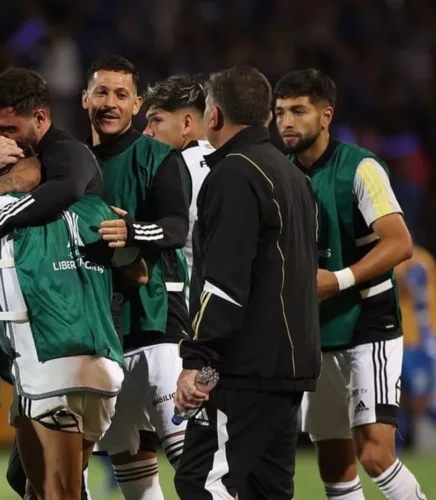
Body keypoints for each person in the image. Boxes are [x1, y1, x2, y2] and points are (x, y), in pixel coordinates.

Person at [0, 67, 123, 500]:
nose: (4, 140)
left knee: (62, 487)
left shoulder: (68, 154)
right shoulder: (13, 159)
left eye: (10, 128)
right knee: (28, 481)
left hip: (70, 336)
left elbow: (63, 192)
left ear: (40, 117)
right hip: (30, 341)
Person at [275, 68, 424, 500]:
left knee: (374, 454)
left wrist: (338, 280)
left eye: (298, 111)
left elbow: (400, 243)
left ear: (326, 116)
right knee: (333, 460)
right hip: (313, 332)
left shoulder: (360, 167)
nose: (286, 121)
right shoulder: (276, 172)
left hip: (367, 324)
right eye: (280, 111)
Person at [174, 66, 320, 499]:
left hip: (244, 369)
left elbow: (224, 282)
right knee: (267, 489)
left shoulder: (234, 173)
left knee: (203, 481)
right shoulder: (294, 177)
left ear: (214, 116)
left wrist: (199, 359)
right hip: (290, 367)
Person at [81, 55, 191, 500]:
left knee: (193, 460)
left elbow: (176, 227)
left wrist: (131, 232)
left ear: (137, 105)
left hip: (159, 324)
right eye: (102, 92)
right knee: (132, 464)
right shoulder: (73, 165)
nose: (110, 103)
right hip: (102, 334)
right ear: (85, 97)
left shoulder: (158, 157)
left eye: (121, 95)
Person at [142, 73, 216, 300]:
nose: (147, 131)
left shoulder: (170, 169)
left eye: (156, 120)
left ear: (186, 123)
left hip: (187, 311)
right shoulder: (240, 163)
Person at [395, 244, 436, 447]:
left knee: (421, 402)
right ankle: (395, 455)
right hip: (397, 342)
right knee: (395, 401)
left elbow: (408, 286)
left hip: (418, 342)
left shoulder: (420, 259)